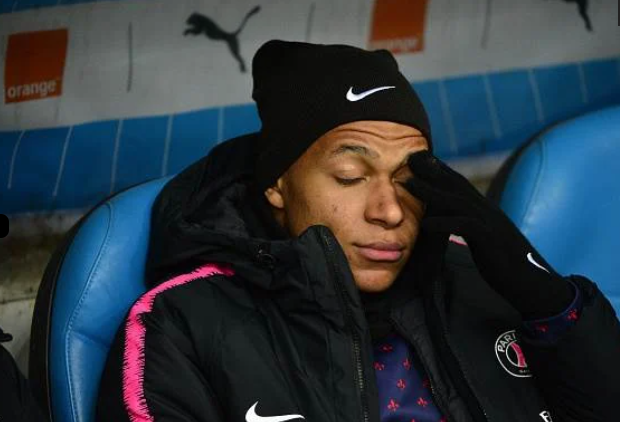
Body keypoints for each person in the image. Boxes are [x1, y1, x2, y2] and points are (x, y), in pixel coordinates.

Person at [96, 40, 620, 422]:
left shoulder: (478, 279)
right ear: (277, 185)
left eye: (408, 179)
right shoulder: (184, 324)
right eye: (350, 176)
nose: (389, 211)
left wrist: (548, 300)